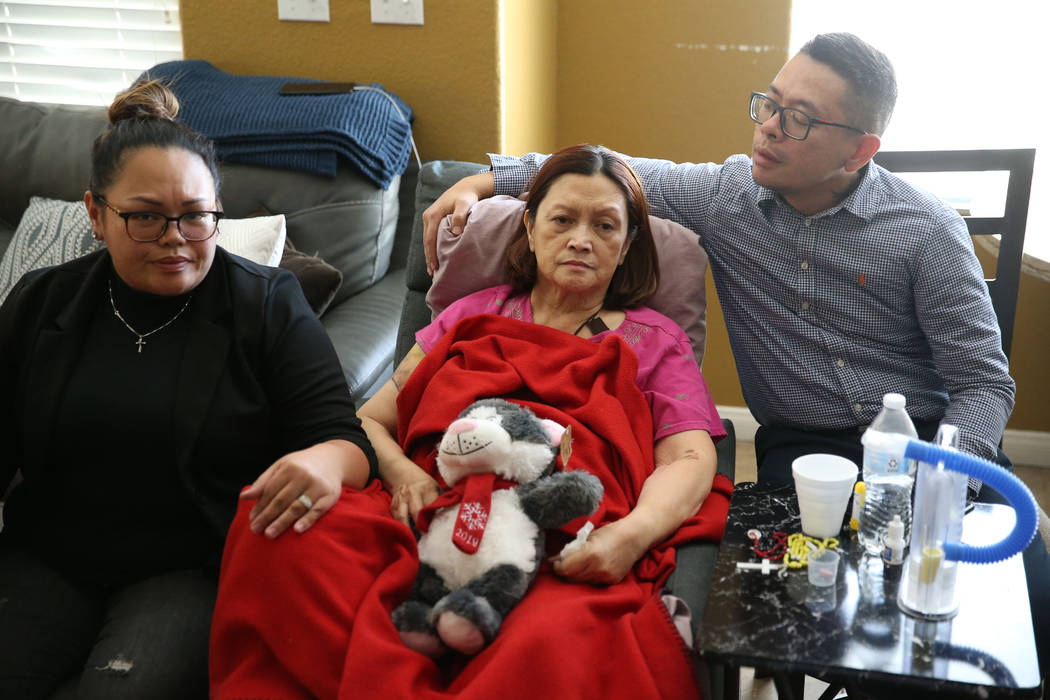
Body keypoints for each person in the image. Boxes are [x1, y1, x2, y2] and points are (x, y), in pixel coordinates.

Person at [421, 32, 1049, 680]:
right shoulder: (728, 198)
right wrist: (480, 178)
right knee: (827, 631)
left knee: (1021, 617)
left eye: (798, 118)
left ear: (860, 149)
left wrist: (943, 491)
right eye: (768, 104)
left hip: (925, 446)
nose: (769, 129)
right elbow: (606, 169)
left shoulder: (926, 229)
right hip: (804, 453)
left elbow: (983, 384)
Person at [209, 144, 733, 699]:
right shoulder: (470, 314)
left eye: (605, 226)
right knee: (276, 527)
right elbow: (367, 421)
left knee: (559, 640)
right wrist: (403, 475)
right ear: (529, 229)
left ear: (627, 246)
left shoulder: (655, 342)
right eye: (562, 220)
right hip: (423, 507)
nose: (581, 238)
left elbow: (691, 458)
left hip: (559, 533)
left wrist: (630, 536)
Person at [0, 80, 376, 700]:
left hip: (193, 565)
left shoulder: (267, 304)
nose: (175, 237)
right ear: (96, 214)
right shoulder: (44, 301)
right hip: (49, 556)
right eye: (145, 216)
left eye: (197, 216)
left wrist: (321, 461)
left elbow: (343, 440)